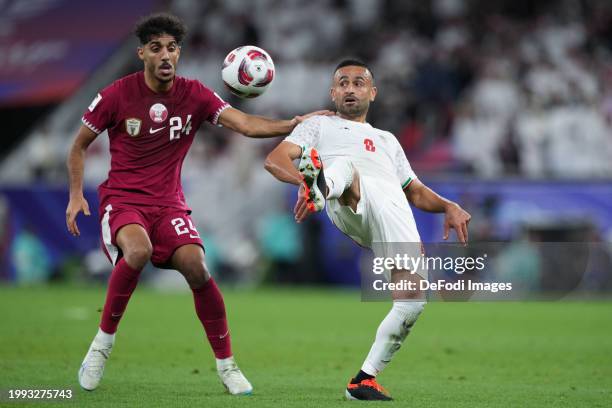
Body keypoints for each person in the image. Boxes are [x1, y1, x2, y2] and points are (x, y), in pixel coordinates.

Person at [65, 13, 329, 395]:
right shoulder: (115, 95)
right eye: (156, 48)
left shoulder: (195, 95)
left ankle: (227, 366)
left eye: (172, 48)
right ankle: (101, 345)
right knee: (138, 251)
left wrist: (295, 122)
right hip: (123, 201)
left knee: (198, 268)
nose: (166, 55)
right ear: (141, 53)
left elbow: (246, 125)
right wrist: (76, 195)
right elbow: (78, 146)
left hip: (169, 205)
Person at [264, 59, 471, 401]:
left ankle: (363, 380)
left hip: (392, 207)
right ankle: (321, 185)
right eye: (342, 83)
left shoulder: (387, 140)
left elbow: (415, 190)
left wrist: (448, 205)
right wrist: (305, 185)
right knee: (345, 167)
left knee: (413, 301)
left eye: (358, 83)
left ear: (372, 93)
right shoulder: (319, 126)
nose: (350, 88)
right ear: (332, 93)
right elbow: (275, 159)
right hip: (345, 195)